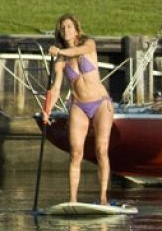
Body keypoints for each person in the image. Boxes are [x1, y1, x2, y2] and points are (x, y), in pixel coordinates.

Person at [42, 13, 114, 205]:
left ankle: (103, 198)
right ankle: (73, 200)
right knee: (75, 153)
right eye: (63, 28)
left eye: (69, 26)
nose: (66, 30)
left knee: (101, 149)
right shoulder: (60, 61)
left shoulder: (88, 45)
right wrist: (47, 108)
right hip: (79, 105)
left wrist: (60, 52)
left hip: (100, 104)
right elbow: (56, 88)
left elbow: (76, 51)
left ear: (76, 29)